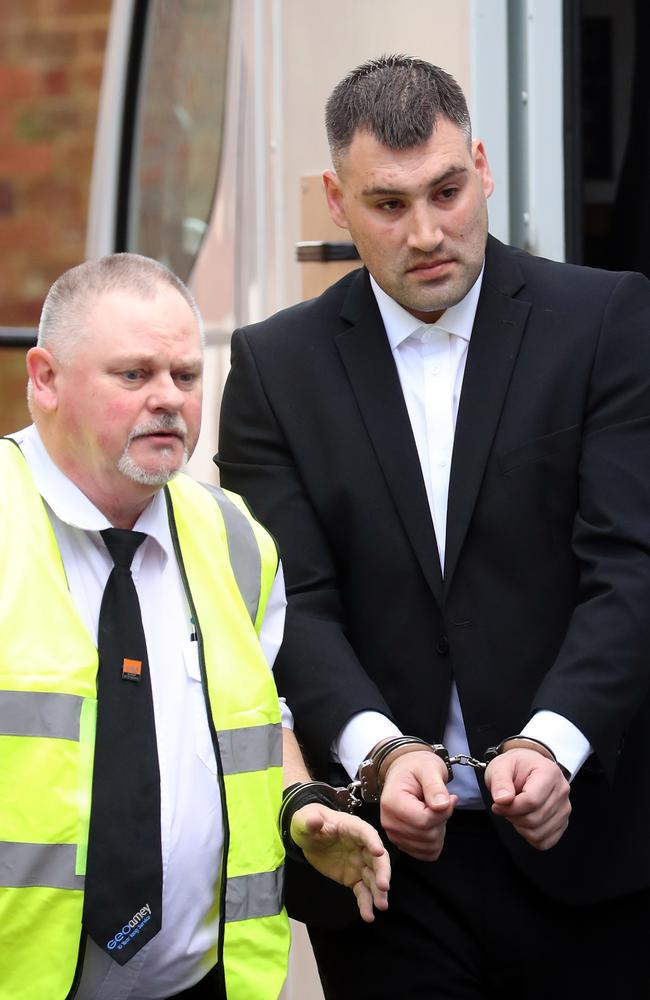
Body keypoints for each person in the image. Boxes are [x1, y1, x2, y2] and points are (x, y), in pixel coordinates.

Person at [217, 55, 650, 999]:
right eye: (387, 204)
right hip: (387, 875)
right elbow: (290, 604)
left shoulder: (606, 319)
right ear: (337, 200)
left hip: (591, 851)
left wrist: (554, 741)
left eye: (447, 191)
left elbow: (631, 566)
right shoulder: (271, 368)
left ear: (484, 166)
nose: (426, 233)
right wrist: (379, 750)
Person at [0, 252, 390, 1000]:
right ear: (45, 379)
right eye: (134, 375)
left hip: (205, 983)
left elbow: (259, 722)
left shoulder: (234, 538)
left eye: (184, 376)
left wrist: (303, 801)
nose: (168, 400)